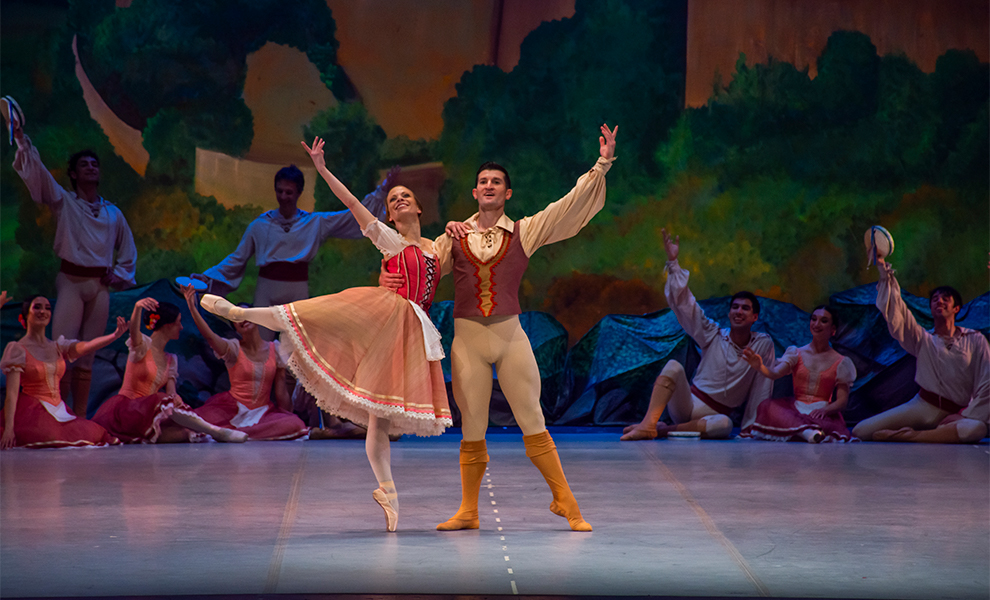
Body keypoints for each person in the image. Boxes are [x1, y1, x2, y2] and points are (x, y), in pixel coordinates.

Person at [201, 136, 452, 532]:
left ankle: (388, 491)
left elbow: (466, 240)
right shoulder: (390, 241)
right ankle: (243, 312)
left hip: (412, 332)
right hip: (385, 315)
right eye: (393, 200)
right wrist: (321, 168)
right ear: (388, 216)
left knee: (379, 419)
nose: (400, 200)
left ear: (419, 207)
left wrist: (457, 225)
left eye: (406, 196)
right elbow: (351, 203)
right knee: (313, 313)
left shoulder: (437, 248)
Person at [407, 123, 618, 533]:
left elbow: (567, 206)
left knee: (532, 418)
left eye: (497, 182)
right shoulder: (454, 237)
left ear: (507, 193)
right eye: (483, 182)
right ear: (474, 192)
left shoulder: (525, 230)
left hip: (509, 338)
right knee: (472, 427)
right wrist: (428, 232)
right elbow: (422, 267)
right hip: (468, 342)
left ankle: (566, 501)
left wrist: (602, 164)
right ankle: (469, 511)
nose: (489, 186)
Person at [9, 118, 137, 418]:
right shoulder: (65, 201)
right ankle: (59, 415)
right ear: (73, 174)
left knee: (87, 358)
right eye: (84, 165)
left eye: (95, 164)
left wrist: (118, 274)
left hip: (99, 287)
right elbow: (40, 177)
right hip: (71, 282)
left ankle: (80, 418)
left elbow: (128, 249)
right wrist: (21, 139)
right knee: (63, 352)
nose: (91, 168)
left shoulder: (112, 213)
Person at [193, 164, 389, 340]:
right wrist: (207, 278)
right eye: (280, 191)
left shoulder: (314, 222)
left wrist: (380, 193)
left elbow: (348, 218)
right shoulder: (260, 225)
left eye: (289, 192)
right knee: (261, 342)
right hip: (267, 287)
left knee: (299, 344)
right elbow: (237, 258)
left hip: (297, 288)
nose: (284, 197)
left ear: (298, 193)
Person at [621, 228, 775, 441]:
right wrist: (673, 263)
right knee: (673, 366)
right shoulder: (714, 335)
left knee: (725, 425)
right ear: (729, 313)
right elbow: (688, 307)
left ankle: (661, 429)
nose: (739, 312)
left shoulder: (762, 344)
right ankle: (648, 424)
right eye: (735, 307)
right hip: (688, 404)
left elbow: (762, 385)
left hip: (715, 417)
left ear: (755, 317)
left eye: (745, 308)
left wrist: (752, 426)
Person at [851, 258, 988, 443]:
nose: (939, 301)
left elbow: (987, 381)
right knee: (860, 431)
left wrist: (964, 415)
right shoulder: (924, 339)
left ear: (956, 308)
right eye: (935, 299)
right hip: (922, 406)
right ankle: (935, 434)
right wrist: (885, 275)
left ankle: (912, 436)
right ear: (931, 308)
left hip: (957, 413)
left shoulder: (975, 339)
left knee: (977, 428)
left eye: (945, 299)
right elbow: (898, 315)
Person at [92, 298, 248, 444]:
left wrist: (176, 400)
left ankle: (208, 432)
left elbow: (171, 394)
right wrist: (138, 308)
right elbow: (134, 331)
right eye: (178, 322)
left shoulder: (170, 359)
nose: (181, 327)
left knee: (185, 432)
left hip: (149, 414)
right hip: (126, 411)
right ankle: (217, 432)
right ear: (167, 325)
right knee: (160, 399)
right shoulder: (142, 346)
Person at [180, 285, 308, 441]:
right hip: (231, 408)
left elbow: (281, 390)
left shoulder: (275, 349)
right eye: (236, 318)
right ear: (235, 328)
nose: (242, 319)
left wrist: (286, 415)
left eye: (245, 314)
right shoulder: (234, 348)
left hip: (263, 412)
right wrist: (192, 308)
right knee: (197, 421)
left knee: (294, 424)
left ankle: (234, 433)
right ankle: (229, 432)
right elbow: (210, 337)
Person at [1, 295, 124, 449]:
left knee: (92, 432)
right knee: (50, 435)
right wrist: (9, 428)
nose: (43, 311)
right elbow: (12, 394)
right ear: (25, 315)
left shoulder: (57, 346)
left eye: (47, 308)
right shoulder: (17, 349)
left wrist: (114, 335)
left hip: (58, 409)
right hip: (32, 410)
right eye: (37, 307)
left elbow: (86, 346)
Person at [740, 306, 856, 443]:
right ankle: (807, 432)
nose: (816, 324)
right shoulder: (796, 353)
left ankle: (803, 431)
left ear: (833, 329)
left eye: (824, 321)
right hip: (796, 409)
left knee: (824, 424)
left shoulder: (841, 362)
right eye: (814, 319)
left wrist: (825, 411)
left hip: (821, 413)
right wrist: (760, 367)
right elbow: (775, 373)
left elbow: (842, 402)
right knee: (767, 406)